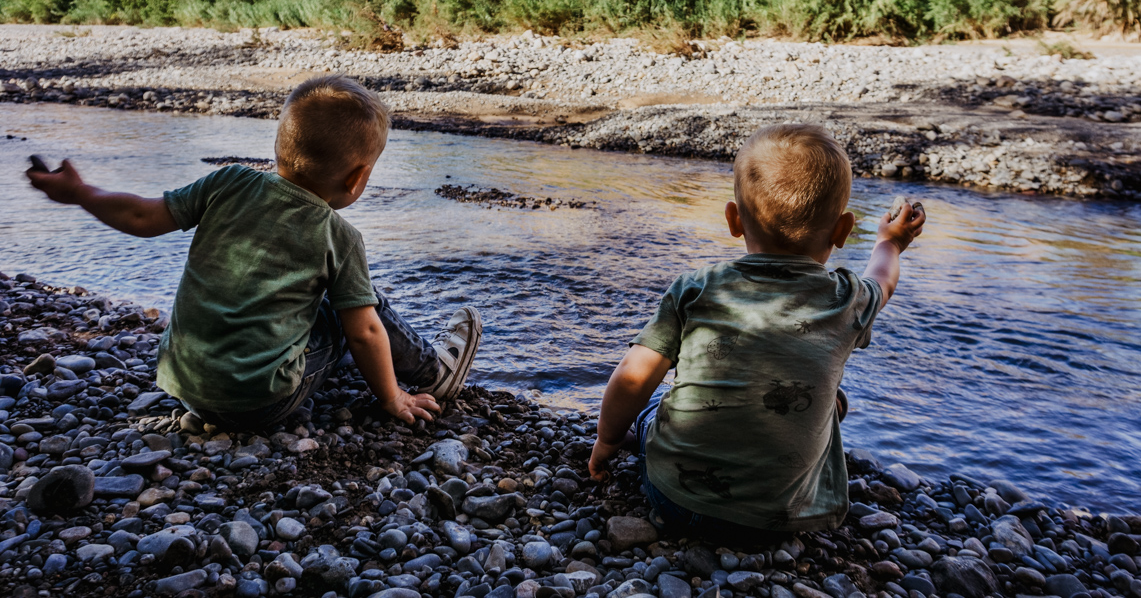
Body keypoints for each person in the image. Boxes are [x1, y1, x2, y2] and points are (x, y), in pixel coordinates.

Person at [25, 74, 482, 431]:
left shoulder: (227, 182)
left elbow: (142, 217)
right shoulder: (337, 235)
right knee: (359, 307)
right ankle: (430, 372)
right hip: (263, 405)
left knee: (323, 297)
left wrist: (81, 193)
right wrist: (390, 398)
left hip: (183, 385)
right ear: (357, 179)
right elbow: (363, 332)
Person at [588, 123, 925, 543]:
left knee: (652, 403)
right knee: (831, 401)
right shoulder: (848, 299)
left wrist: (607, 439)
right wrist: (891, 242)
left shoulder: (696, 288)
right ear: (842, 231)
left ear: (733, 219)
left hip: (677, 503)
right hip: (783, 520)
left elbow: (633, 377)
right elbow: (883, 279)